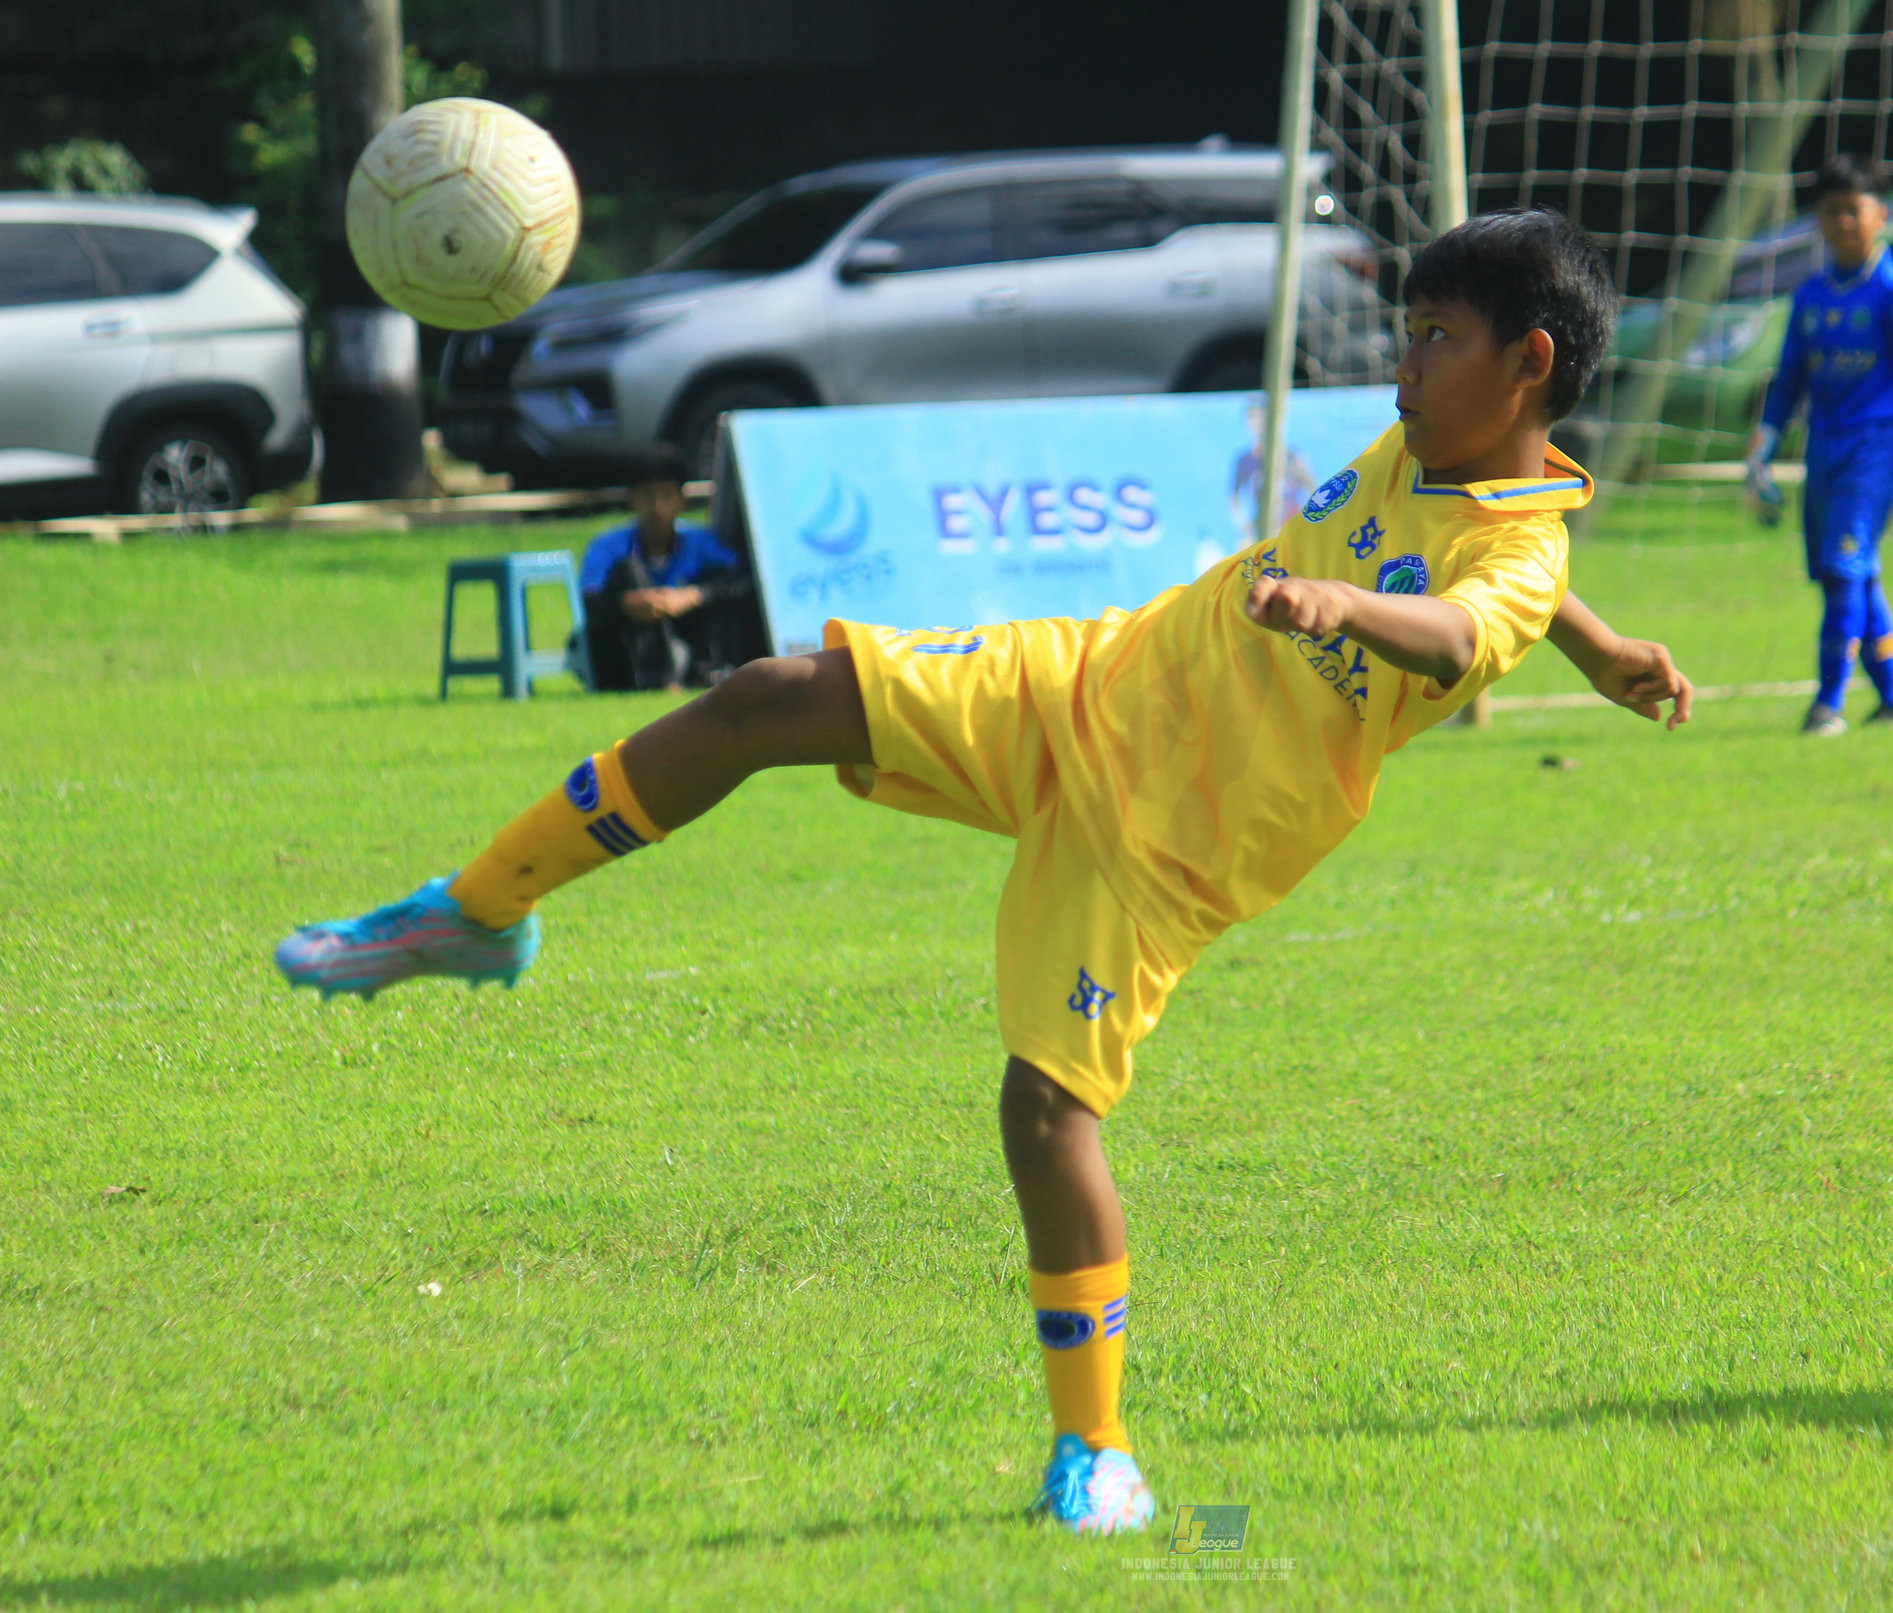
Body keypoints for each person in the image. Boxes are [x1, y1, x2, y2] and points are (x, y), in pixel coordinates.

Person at [273, 209, 1695, 1536]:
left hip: (1170, 838)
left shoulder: (1504, 556)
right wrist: (1600, 642)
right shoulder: (1434, 453)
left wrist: (1333, 599)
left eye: (1433, 338)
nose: (1400, 363)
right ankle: (476, 911)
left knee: (1042, 1111)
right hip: (1085, 682)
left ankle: (1097, 1448)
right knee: (770, 693)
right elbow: (1509, 559)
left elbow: (1460, 624)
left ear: (1529, 365)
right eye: (1405, 329)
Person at [1744, 152, 1893, 737]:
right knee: (1851, 575)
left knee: (1845, 569)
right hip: (1825, 447)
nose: (1843, 222)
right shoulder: (1812, 297)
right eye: (1831, 211)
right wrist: (1761, 450)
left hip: (1879, 443)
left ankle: (1827, 705)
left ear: (1881, 215)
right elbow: (1789, 378)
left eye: (1854, 210)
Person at [578, 448, 760, 691]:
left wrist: (693, 595)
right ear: (632, 500)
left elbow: (742, 580)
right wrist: (624, 603)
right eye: (648, 497)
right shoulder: (608, 546)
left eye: (666, 496)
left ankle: (706, 673)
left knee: (718, 589)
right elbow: (589, 599)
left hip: (687, 633)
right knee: (627, 572)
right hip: (630, 644)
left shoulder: (700, 542)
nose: (657, 507)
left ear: (682, 501)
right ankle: (657, 680)